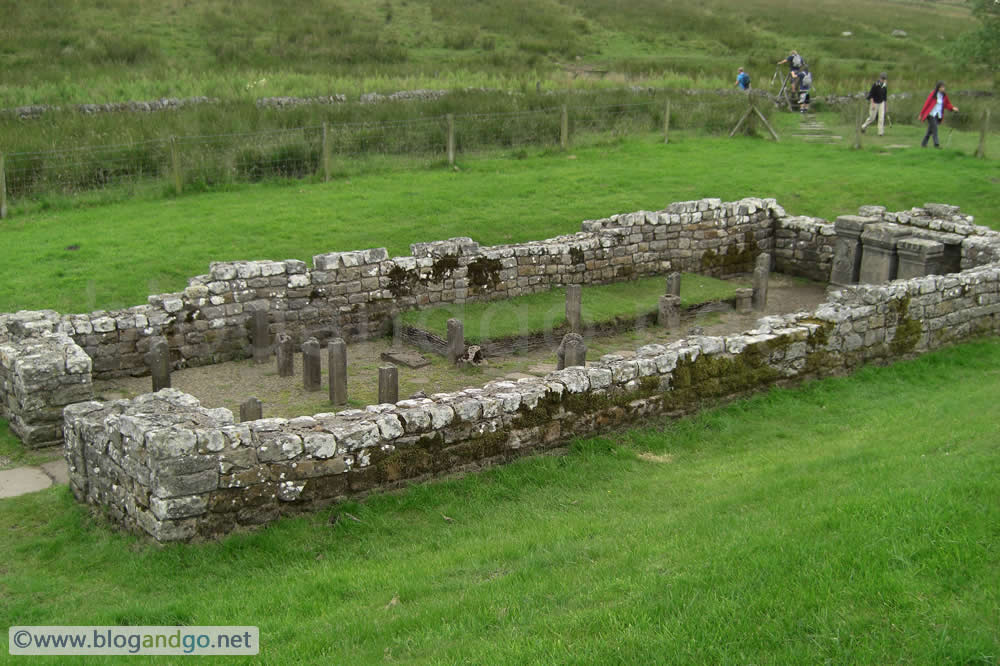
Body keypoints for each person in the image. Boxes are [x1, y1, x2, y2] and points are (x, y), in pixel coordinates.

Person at [919, 81, 958, 148]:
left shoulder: (944, 96)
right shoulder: (933, 94)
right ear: (938, 88)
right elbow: (926, 104)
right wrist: (921, 114)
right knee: (935, 129)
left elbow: (947, 104)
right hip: (931, 114)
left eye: (944, 87)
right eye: (942, 87)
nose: (943, 89)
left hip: (938, 115)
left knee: (930, 130)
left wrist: (953, 108)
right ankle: (936, 144)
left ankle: (923, 144)